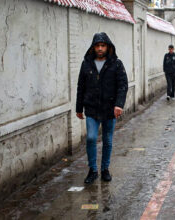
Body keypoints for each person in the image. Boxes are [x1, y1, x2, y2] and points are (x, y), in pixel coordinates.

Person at [76, 32, 128, 184]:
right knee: (91, 138)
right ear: (93, 47)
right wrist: (79, 107)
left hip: (109, 109)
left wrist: (119, 104)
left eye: (103, 45)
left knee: (107, 140)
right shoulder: (86, 63)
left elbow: (122, 86)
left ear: (108, 47)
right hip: (91, 108)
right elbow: (81, 86)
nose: (100, 48)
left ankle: (105, 169)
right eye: (97, 46)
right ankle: (93, 170)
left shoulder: (116, 64)